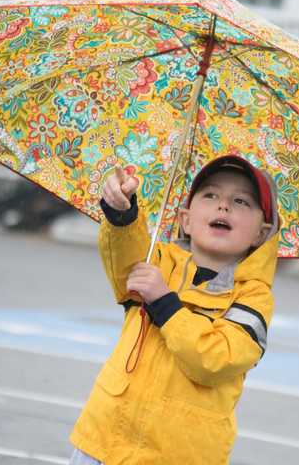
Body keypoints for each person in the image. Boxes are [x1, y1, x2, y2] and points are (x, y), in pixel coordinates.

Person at [68, 154, 280, 465]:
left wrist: (166, 303)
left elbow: (217, 359)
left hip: (181, 455)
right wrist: (122, 215)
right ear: (185, 219)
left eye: (241, 201)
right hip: (104, 440)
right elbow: (125, 261)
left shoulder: (254, 297)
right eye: (210, 195)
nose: (223, 206)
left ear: (261, 233)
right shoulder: (158, 261)